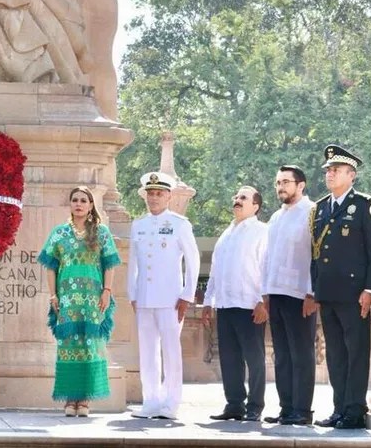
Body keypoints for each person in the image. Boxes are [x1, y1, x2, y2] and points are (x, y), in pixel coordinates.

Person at [310, 145, 371, 429]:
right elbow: (316, 253)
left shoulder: (366, 205)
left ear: (351, 175)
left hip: (354, 294)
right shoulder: (320, 208)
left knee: (356, 352)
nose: (330, 174)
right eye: (328, 170)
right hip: (327, 292)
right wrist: (315, 288)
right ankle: (340, 408)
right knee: (336, 354)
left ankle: (355, 410)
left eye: (336, 170)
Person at [40, 186, 121, 417]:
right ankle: (69, 399)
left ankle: (84, 400)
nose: (78, 204)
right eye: (75, 200)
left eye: (83, 200)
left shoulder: (101, 232)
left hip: (93, 300)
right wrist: (53, 295)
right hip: (67, 300)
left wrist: (107, 291)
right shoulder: (59, 233)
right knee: (68, 346)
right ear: (70, 204)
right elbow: (50, 267)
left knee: (90, 347)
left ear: (90, 205)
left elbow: (110, 265)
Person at [128, 171, 200, 420]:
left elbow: (193, 261)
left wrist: (187, 294)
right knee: (147, 351)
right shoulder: (139, 224)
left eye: (159, 193)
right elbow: (133, 263)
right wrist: (132, 293)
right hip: (145, 297)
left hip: (170, 298)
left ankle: (171, 403)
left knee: (171, 351)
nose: (154, 197)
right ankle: (150, 400)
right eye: (150, 193)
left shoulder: (180, 224)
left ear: (168, 196)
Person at [202, 186, 269, 422]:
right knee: (229, 358)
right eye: (236, 197)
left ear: (256, 206)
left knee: (254, 358)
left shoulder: (262, 232)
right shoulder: (226, 234)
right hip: (225, 305)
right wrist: (208, 302)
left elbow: (267, 269)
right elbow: (215, 271)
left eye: (243, 198)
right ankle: (234, 405)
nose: (237, 200)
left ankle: (255, 406)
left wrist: (264, 302)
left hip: (250, 306)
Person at [261, 165, 317, 426]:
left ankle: (303, 410)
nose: (280, 187)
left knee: (301, 353)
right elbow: (267, 257)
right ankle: (286, 408)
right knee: (281, 354)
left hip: (299, 294)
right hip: (276, 292)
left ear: (300, 185)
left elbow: (317, 256)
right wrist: (264, 292)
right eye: (277, 182)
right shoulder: (275, 217)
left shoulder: (313, 213)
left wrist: (311, 292)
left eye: (285, 182)